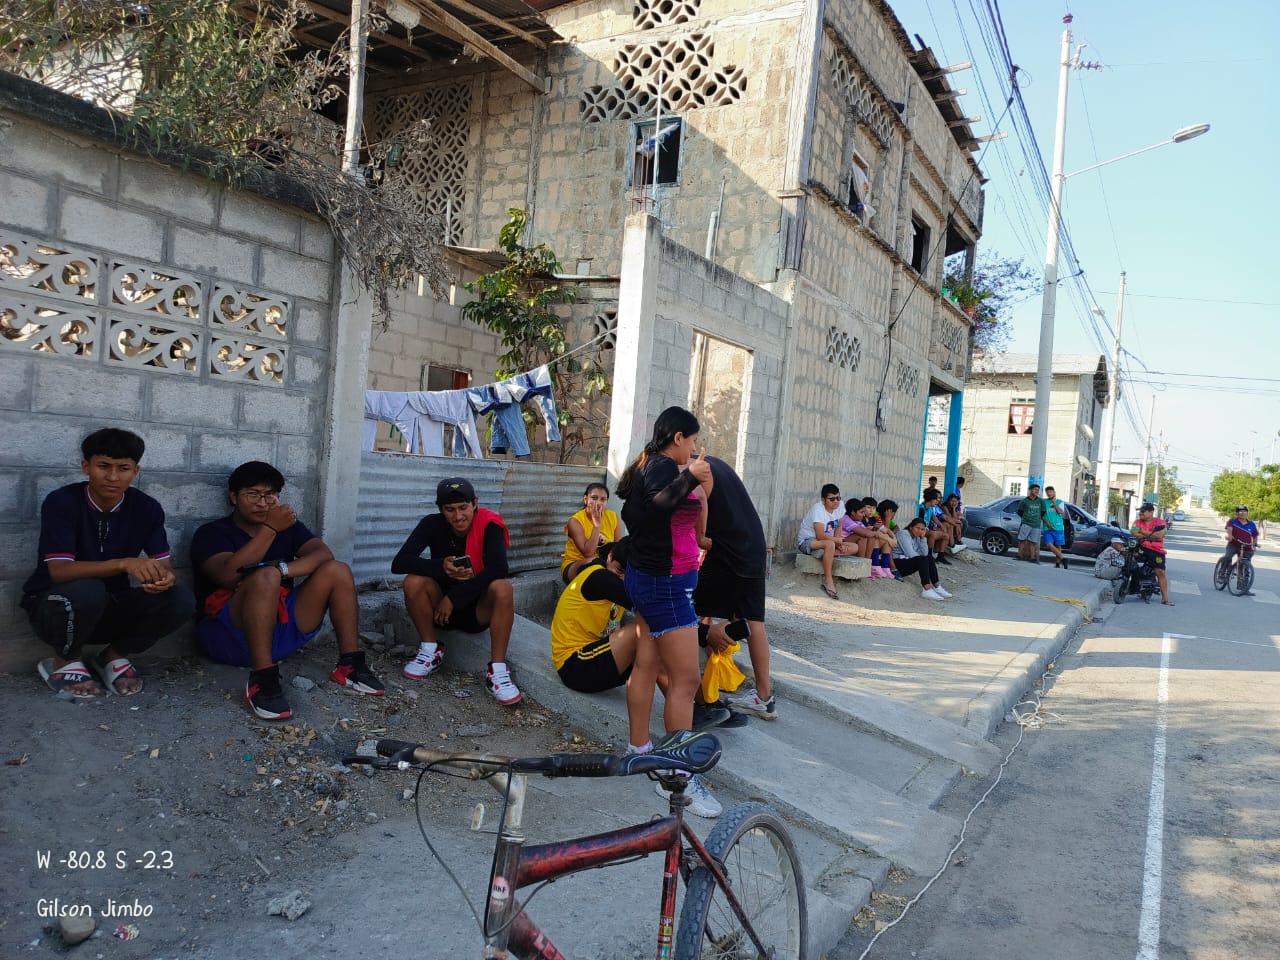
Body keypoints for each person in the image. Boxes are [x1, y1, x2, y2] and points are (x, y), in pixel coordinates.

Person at [191, 461, 384, 721]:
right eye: (253, 495)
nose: (263, 503)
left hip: (279, 634)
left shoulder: (289, 528)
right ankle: (263, 679)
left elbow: (322, 554)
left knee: (337, 570)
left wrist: (282, 570)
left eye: (270, 495)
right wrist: (270, 531)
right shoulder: (212, 533)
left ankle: (350, 665)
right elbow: (228, 575)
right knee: (265, 576)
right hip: (228, 637)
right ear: (233, 497)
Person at [22, 428, 194, 700]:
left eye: (123, 468)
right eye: (103, 466)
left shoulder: (146, 508)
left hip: (112, 605)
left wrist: (163, 578)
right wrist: (124, 563)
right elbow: (59, 571)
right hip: (56, 607)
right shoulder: (62, 502)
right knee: (88, 589)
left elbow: (164, 566)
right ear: (86, 467)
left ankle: (112, 657)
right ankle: (65, 659)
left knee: (180, 598)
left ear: (135, 471)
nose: (113, 477)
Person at [617, 406, 720, 818]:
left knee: (647, 664)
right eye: (691, 440)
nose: (694, 448)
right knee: (686, 680)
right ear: (678, 438)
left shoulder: (651, 465)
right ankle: (678, 775)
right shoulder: (662, 468)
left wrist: (696, 484)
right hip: (666, 585)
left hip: (652, 579)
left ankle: (638, 748)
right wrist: (691, 476)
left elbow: (666, 515)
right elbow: (660, 507)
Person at [393, 477, 521, 705]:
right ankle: (430, 649)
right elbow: (400, 562)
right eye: (450, 510)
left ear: (475, 504)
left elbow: (499, 568)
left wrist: (453, 598)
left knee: (503, 587)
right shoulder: (431, 524)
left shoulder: (489, 525)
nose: (458, 516)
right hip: (440, 611)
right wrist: (440, 566)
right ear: (441, 510)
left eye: (463, 507)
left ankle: (498, 671)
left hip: (476, 610)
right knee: (412, 581)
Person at [692, 455, 776, 721]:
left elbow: (699, 500)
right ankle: (764, 697)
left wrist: (699, 537)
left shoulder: (692, 469)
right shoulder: (717, 464)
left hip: (728, 550)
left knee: (690, 610)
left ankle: (698, 689)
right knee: (752, 620)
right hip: (752, 547)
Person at [799, 484, 856, 598]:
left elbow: (839, 526)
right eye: (832, 499)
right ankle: (829, 581)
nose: (836, 501)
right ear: (823, 500)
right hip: (808, 541)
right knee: (830, 544)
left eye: (838, 498)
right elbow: (820, 535)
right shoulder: (818, 510)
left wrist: (839, 544)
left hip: (827, 542)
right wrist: (837, 541)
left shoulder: (840, 506)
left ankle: (826, 554)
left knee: (854, 547)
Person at [560, 482, 621, 584]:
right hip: (576, 564)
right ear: (586, 499)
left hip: (605, 563)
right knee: (593, 562)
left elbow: (618, 548)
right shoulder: (575, 521)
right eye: (594, 498)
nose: (598, 503)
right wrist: (597, 525)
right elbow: (588, 553)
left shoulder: (613, 517)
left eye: (603, 499)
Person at [892, 517, 952, 600]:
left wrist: (923, 538)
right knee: (923, 559)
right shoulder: (903, 534)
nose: (919, 531)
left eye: (922, 529)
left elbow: (925, 553)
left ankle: (937, 586)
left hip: (906, 561)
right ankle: (926, 589)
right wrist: (923, 559)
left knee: (929, 557)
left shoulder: (917, 537)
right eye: (917, 528)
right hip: (896, 564)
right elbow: (911, 554)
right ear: (911, 527)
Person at [1131, 503, 1172, 605]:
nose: (1141, 513)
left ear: (1151, 512)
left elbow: (1160, 535)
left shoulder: (1160, 522)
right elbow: (1134, 532)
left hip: (1156, 550)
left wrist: (1142, 531)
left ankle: (1165, 599)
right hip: (1140, 547)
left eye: (1143, 511)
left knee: (1160, 572)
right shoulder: (1137, 522)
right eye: (1140, 511)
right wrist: (1150, 535)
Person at [1223, 505, 1260, 597]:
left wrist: (1254, 543)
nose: (1243, 513)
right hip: (1233, 544)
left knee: (1245, 567)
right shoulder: (1232, 521)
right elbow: (1229, 529)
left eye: (1244, 511)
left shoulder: (1251, 524)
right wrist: (1230, 536)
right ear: (1237, 513)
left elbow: (1255, 535)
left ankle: (1243, 588)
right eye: (1240, 511)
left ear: (1247, 513)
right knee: (1228, 557)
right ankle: (1222, 573)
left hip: (1246, 547)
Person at [920, 490, 952, 564]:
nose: (937, 501)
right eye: (936, 499)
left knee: (946, 535)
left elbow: (933, 517)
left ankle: (940, 556)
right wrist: (931, 529)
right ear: (931, 499)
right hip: (921, 530)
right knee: (933, 534)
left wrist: (941, 525)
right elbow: (920, 524)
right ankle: (929, 556)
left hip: (927, 530)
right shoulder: (921, 508)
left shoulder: (930, 508)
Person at [1015, 484, 1045, 563]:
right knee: (1022, 540)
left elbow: (1043, 511)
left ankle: (1032, 558)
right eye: (1035, 489)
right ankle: (1019, 555)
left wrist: (1036, 518)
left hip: (1036, 524)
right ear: (1031, 490)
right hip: (1026, 523)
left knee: (1033, 542)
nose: (1036, 491)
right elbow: (1020, 511)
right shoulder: (1025, 501)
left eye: (1038, 490)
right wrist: (1026, 518)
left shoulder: (1040, 501)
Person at [1041, 485, 1069, 569]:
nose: (1049, 494)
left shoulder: (1060, 502)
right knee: (1049, 544)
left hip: (1058, 527)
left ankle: (1057, 563)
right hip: (1047, 527)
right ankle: (1063, 559)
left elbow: (1060, 512)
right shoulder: (1044, 502)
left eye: (1050, 492)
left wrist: (1054, 502)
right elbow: (1041, 515)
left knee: (1058, 546)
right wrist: (1047, 524)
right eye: (1047, 492)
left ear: (1054, 492)